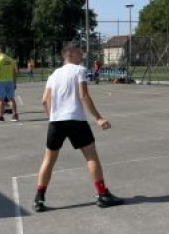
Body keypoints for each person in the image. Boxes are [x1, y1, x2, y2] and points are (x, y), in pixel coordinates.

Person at [33, 43, 122, 212]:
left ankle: (39, 198)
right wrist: (99, 117)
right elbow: (83, 95)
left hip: (56, 122)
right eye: (80, 52)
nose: (82, 55)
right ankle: (102, 195)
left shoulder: (54, 74)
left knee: (48, 160)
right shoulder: (79, 70)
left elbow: (44, 100)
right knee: (91, 157)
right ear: (70, 54)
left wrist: (52, 117)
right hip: (75, 120)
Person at [0, 47, 19, 122]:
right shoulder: (11, 60)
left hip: (1, 82)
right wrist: (14, 83)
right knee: (11, 98)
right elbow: (14, 73)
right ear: (5, 51)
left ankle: (1, 116)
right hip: (10, 81)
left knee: (1, 99)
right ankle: (15, 115)